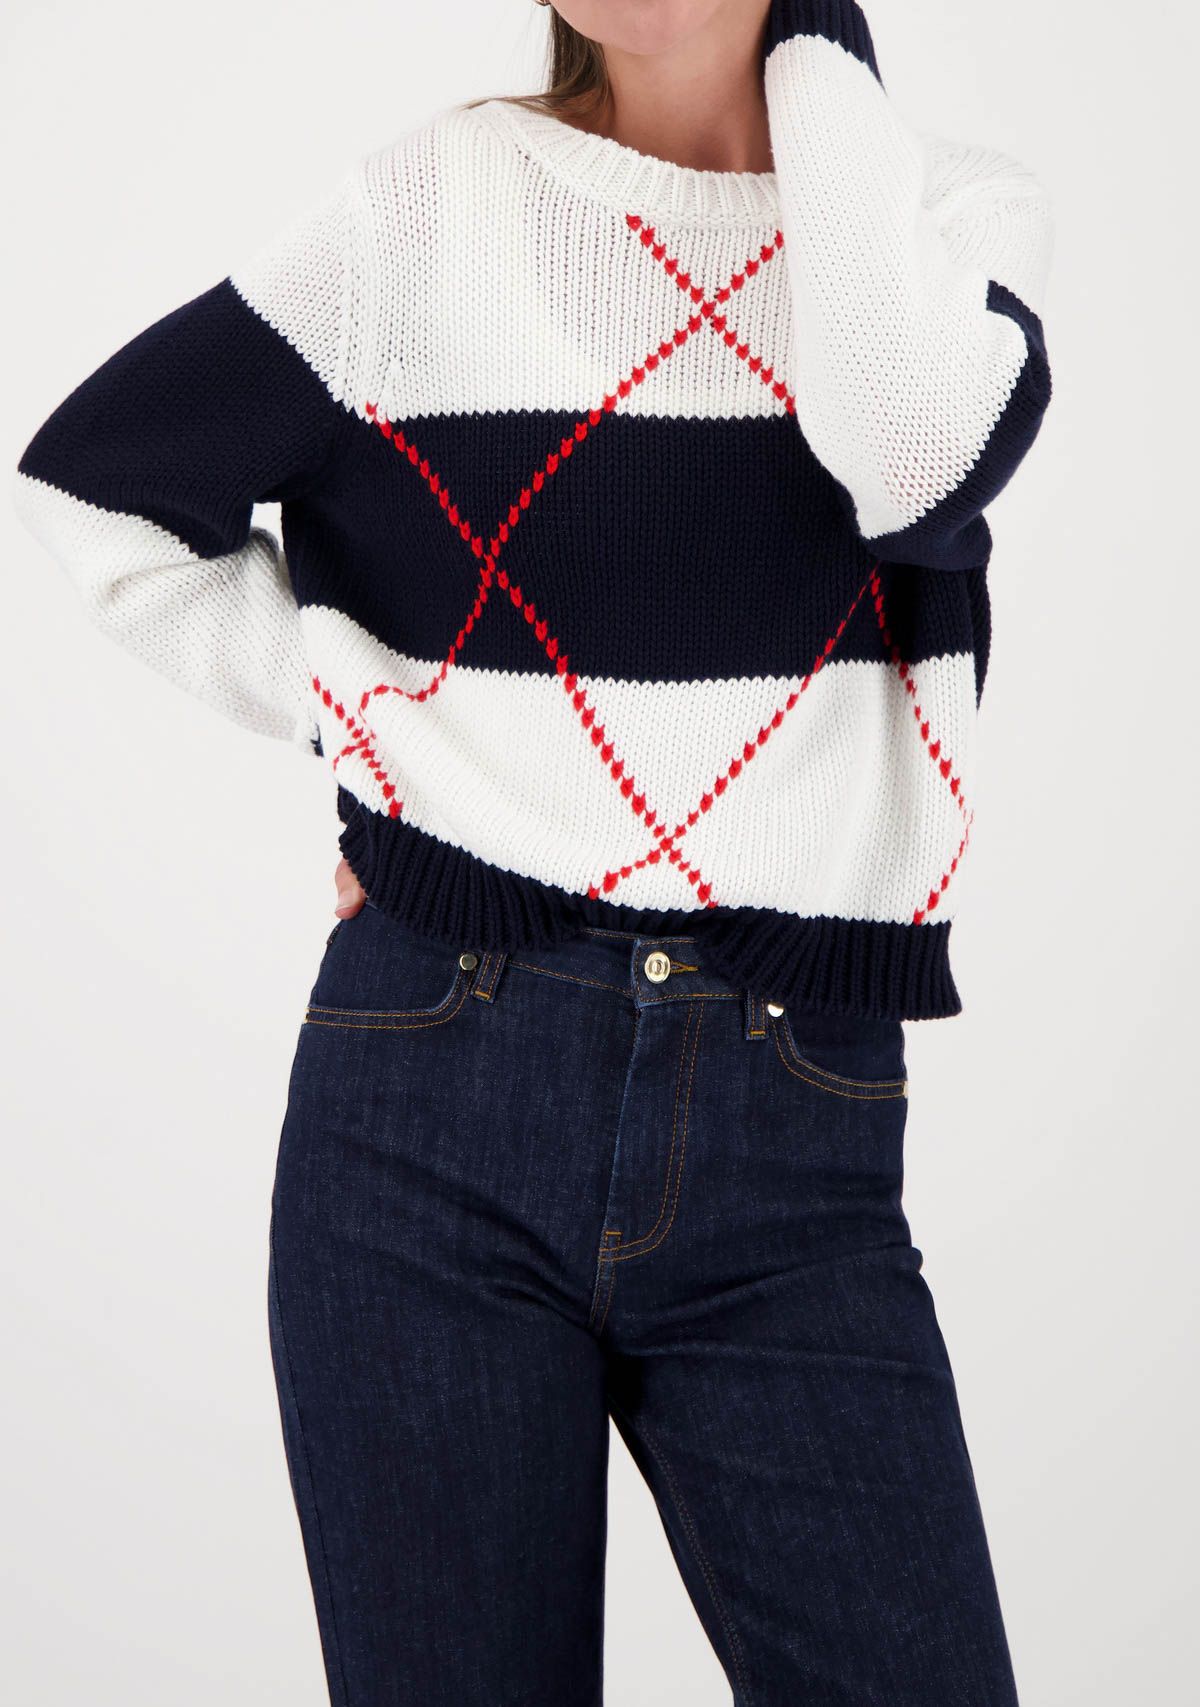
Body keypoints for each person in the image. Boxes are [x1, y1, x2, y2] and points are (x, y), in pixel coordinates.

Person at [11, 1, 1054, 1701]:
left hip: (793, 1140)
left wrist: (813, 61)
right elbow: (99, 488)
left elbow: (908, 457)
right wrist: (379, 728)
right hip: (433, 1097)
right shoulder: (423, 210)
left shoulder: (937, 222)